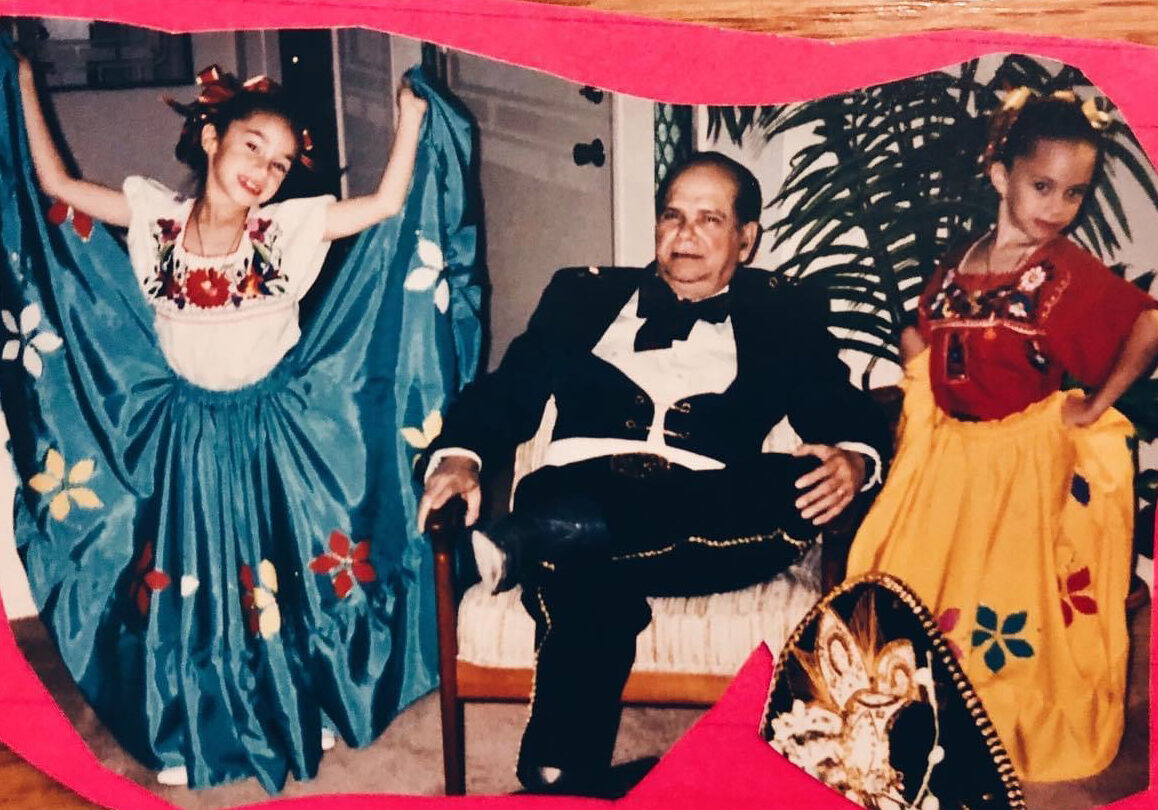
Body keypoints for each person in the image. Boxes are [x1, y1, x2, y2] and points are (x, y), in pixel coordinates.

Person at [4, 48, 480, 791]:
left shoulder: (290, 228)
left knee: (278, 579)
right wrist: (27, 83)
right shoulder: (152, 213)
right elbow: (55, 183)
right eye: (253, 146)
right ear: (210, 138)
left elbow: (386, 205)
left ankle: (300, 701)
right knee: (196, 584)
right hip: (184, 433)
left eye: (282, 163)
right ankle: (186, 723)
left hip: (272, 431)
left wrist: (411, 115)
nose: (264, 169)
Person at [418, 151, 892, 796]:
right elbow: (511, 390)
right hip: (581, 480)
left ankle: (541, 552)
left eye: (709, 219)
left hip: (712, 511)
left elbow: (837, 405)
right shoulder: (580, 294)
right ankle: (569, 780)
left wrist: (855, 458)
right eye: (673, 216)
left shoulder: (784, 312)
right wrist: (458, 454)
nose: (685, 234)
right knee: (585, 558)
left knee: (786, 484)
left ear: (746, 239)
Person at [845, 90, 1158, 782]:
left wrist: (1097, 402)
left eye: (1074, 193)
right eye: (1042, 186)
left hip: (1021, 465)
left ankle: (1007, 740)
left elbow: (1150, 323)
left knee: (1010, 609)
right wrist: (914, 361)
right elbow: (927, 344)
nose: (1056, 207)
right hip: (950, 463)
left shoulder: (1064, 273)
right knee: (919, 588)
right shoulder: (957, 267)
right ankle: (923, 734)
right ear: (1000, 175)